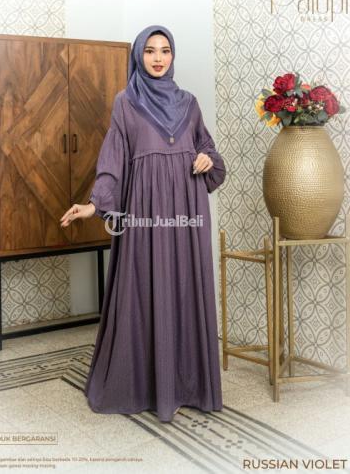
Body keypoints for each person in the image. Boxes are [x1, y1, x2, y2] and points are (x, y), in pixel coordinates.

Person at [60, 25, 226, 423]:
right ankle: (143, 385)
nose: (158, 58)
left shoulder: (189, 104)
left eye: (165, 50)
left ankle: (187, 385)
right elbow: (113, 160)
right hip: (144, 213)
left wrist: (206, 159)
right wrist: (94, 205)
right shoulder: (126, 103)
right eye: (150, 51)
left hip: (186, 211)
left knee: (184, 286)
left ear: (172, 55)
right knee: (143, 287)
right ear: (138, 56)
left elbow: (208, 151)